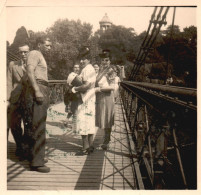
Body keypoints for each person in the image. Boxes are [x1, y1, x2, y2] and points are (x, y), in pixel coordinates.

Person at [24, 37, 52, 173]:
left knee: (36, 124)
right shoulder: (35, 53)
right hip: (39, 87)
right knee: (39, 125)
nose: (49, 47)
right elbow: (30, 71)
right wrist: (37, 90)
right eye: (47, 45)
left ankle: (35, 156)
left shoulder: (38, 54)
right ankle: (37, 163)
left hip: (41, 87)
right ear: (40, 44)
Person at [72, 46, 96, 155]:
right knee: (89, 122)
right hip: (90, 98)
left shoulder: (87, 69)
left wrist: (75, 88)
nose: (81, 61)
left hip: (85, 98)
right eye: (80, 58)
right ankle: (90, 146)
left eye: (84, 59)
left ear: (89, 59)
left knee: (83, 121)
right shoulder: (89, 68)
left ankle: (85, 148)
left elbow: (86, 85)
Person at [7, 43, 30, 158]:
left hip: (29, 99)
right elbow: (8, 82)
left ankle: (25, 147)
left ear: (29, 52)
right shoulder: (13, 65)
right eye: (21, 52)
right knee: (14, 124)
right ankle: (19, 145)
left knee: (29, 124)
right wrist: (7, 100)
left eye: (25, 52)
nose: (23, 54)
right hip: (16, 98)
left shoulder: (33, 65)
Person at [95, 50, 115, 150]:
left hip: (107, 97)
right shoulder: (101, 70)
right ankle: (105, 139)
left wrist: (99, 89)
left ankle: (107, 141)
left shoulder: (111, 71)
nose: (104, 62)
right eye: (103, 60)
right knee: (102, 118)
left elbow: (112, 87)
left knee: (107, 119)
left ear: (110, 61)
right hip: (100, 97)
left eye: (107, 60)